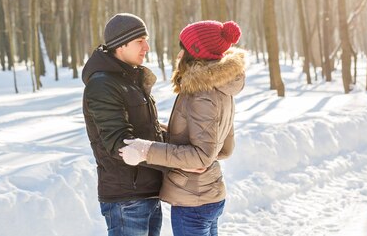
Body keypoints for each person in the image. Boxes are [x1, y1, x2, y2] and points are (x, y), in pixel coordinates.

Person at [120, 20, 246, 236]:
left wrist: (146, 151)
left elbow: (202, 155)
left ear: (195, 54)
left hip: (194, 203)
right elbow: (224, 148)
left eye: (183, 49)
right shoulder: (220, 88)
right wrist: (156, 128)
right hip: (207, 195)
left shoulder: (202, 94)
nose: (179, 56)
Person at [82, 13, 165, 236]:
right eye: (140, 41)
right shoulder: (103, 85)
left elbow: (148, 129)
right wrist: (172, 160)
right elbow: (120, 143)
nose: (146, 46)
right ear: (121, 44)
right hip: (127, 198)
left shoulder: (129, 80)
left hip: (147, 191)